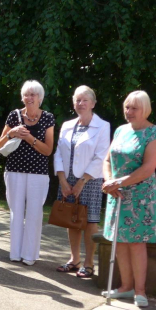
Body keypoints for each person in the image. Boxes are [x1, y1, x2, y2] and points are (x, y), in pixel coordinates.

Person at [102, 90, 156, 307]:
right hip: (117, 194)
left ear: (145, 109)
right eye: (126, 107)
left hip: (140, 197)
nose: (128, 112)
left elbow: (148, 168)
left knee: (137, 243)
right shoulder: (120, 131)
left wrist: (117, 183)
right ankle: (125, 287)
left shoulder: (155, 134)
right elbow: (108, 160)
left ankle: (140, 291)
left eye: (134, 108)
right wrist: (109, 181)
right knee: (119, 242)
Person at [54, 86, 111, 278]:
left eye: (85, 100)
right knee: (72, 220)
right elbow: (58, 154)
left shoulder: (102, 126)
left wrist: (81, 182)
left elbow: (101, 156)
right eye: (77, 100)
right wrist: (62, 179)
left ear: (93, 103)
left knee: (90, 221)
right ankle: (74, 259)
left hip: (90, 180)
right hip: (67, 180)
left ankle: (88, 264)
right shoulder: (67, 125)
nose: (81, 103)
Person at [0, 80, 55, 265]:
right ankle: (14, 253)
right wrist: (12, 133)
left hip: (38, 173)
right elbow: (0, 145)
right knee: (16, 212)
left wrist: (29, 138)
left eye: (33, 94)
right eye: (26, 94)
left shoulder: (47, 118)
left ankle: (29, 255)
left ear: (40, 97)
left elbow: (48, 150)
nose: (29, 98)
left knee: (34, 214)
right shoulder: (13, 116)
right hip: (14, 170)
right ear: (22, 97)